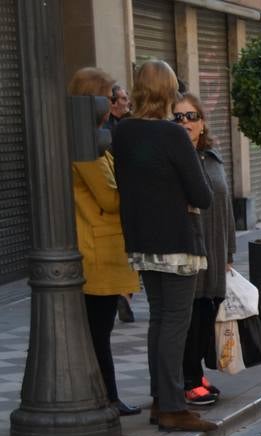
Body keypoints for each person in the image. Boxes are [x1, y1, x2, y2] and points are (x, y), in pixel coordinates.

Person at [112, 58, 216, 433]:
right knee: (175, 323)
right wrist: (181, 195)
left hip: (141, 239)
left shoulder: (123, 131)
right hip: (176, 239)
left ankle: (161, 400)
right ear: (166, 90)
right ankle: (173, 406)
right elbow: (202, 195)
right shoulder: (172, 134)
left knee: (158, 320)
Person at [68, 67, 140, 417]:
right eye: (109, 95)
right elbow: (110, 198)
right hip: (96, 252)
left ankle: (107, 396)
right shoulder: (86, 145)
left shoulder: (95, 138)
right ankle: (106, 397)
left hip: (104, 249)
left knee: (101, 330)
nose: (114, 102)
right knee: (98, 332)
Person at [173, 91, 234, 408]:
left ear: (202, 122)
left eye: (191, 117)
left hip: (216, 247)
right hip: (190, 248)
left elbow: (224, 206)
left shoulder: (212, 156)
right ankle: (189, 379)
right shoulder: (175, 158)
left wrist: (229, 252)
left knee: (209, 312)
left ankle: (196, 374)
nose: (185, 123)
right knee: (192, 315)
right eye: (178, 117)